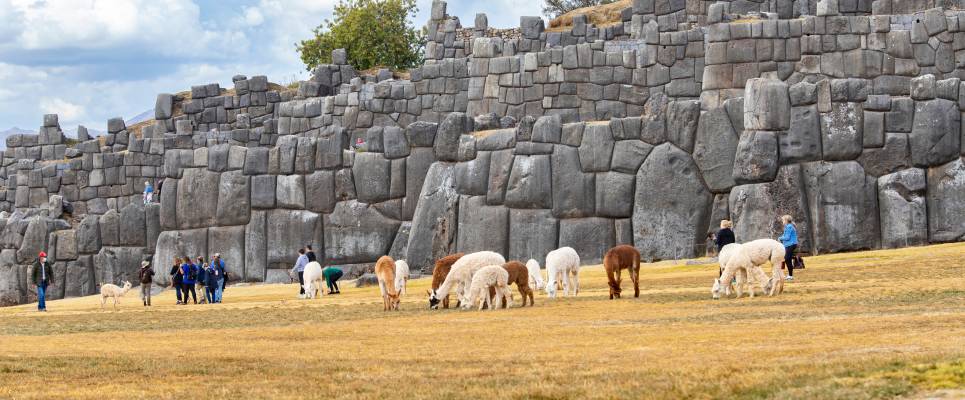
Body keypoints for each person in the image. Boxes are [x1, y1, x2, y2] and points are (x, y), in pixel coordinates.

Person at [779, 215, 799, 281]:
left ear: (786, 220)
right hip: (788, 245)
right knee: (787, 259)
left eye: (783, 220)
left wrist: (780, 238)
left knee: (787, 259)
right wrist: (781, 238)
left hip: (791, 244)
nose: (782, 221)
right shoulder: (787, 227)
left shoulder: (789, 227)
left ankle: (790, 276)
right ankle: (790, 275)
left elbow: (787, 237)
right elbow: (785, 235)